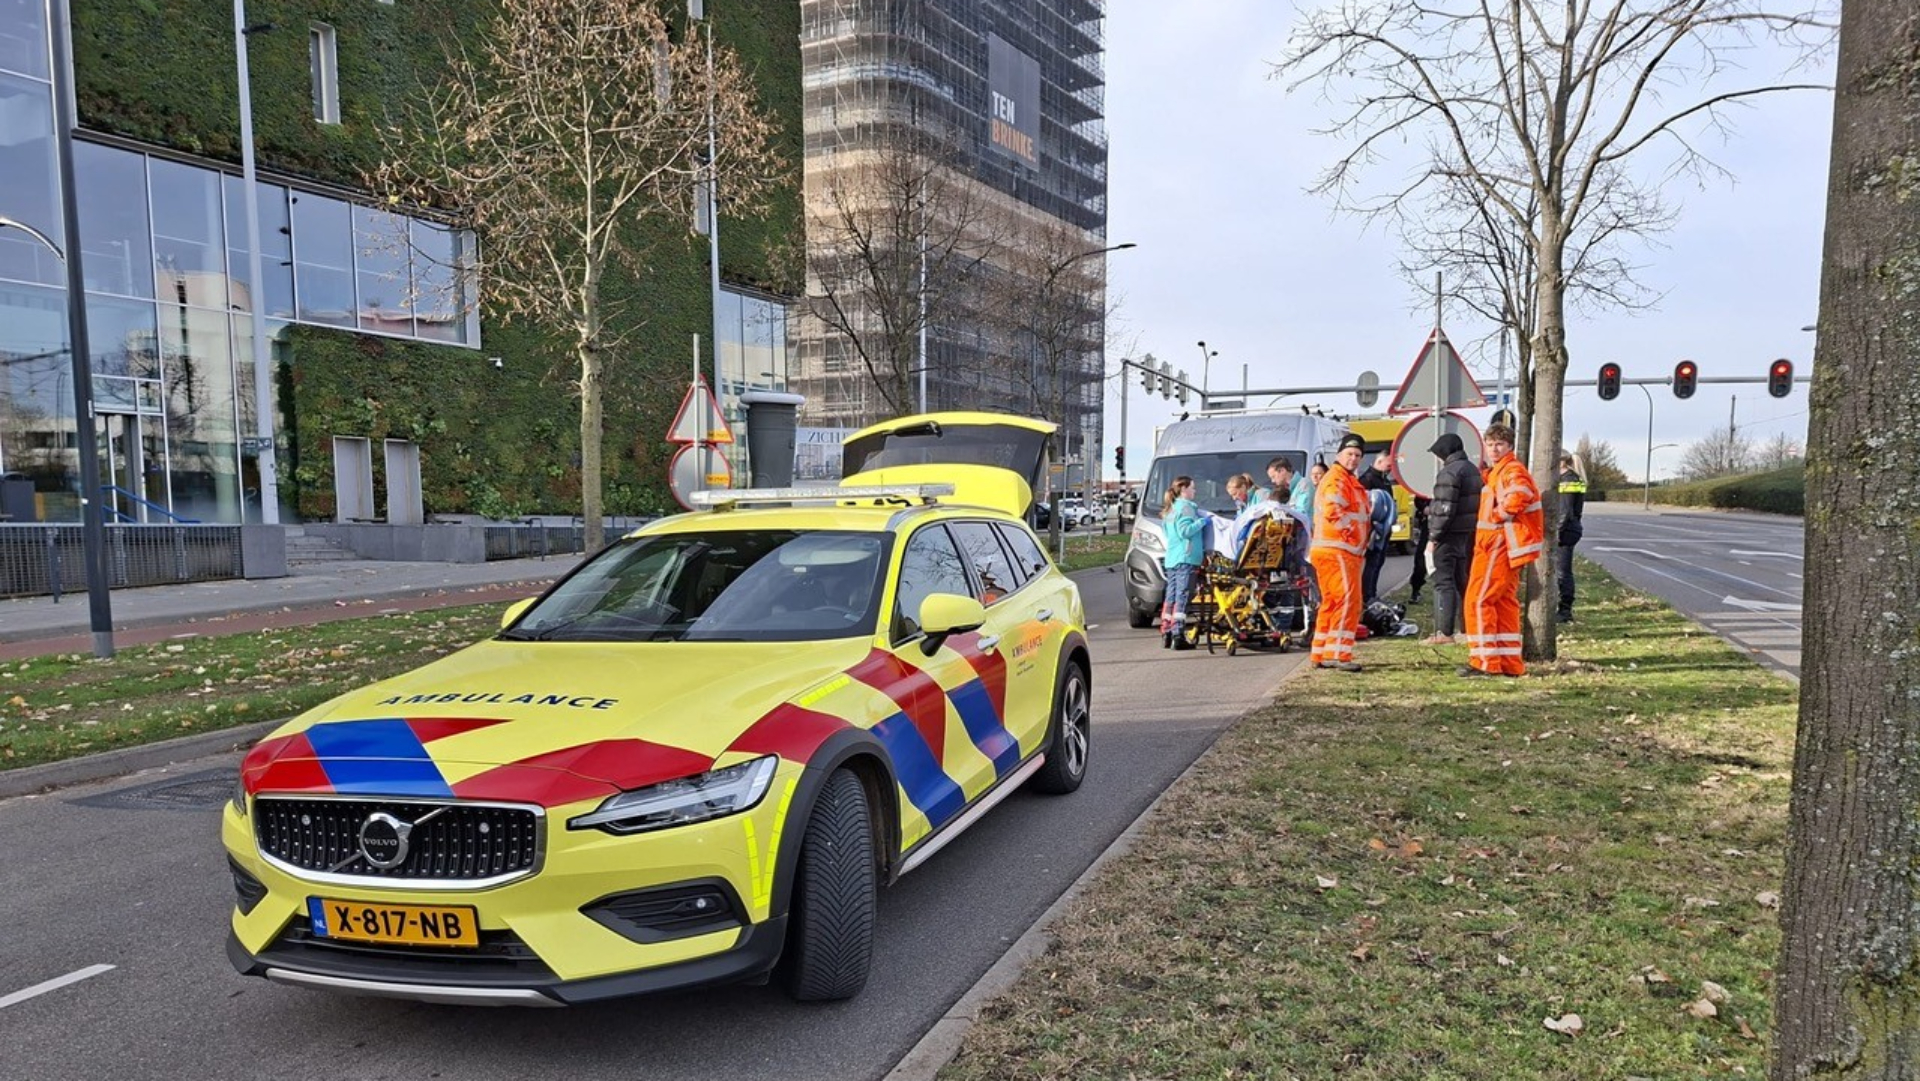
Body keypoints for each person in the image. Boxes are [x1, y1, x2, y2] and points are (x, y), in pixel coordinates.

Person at [1462, 425, 1544, 677]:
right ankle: (1509, 663)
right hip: (1506, 545)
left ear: (1509, 446)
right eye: (1490, 444)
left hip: (1497, 543)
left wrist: (1500, 514)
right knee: (1504, 602)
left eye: (1499, 444)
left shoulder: (1510, 470)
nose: (1494, 449)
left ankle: (1484, 662)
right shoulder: (1501, 471)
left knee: (1478, 600)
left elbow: (1519, 496)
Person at [1309, 434, 1370, 672]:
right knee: (1348, 601)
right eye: (1349, 454)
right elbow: (1334, 511)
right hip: (1339, 550)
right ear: (1339, 455)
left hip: (1332, 549)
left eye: (1357, 456)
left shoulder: (1342, 479)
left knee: (1332, 602)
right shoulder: (1338, 480)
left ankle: (1321, 652)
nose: (1353, 459)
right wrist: (1353, 535)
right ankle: (1337, 654)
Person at [1423, 432, 1482, 645]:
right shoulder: (1472, 470)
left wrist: (1433, 537)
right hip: (1465, 533)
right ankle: (1467, 628)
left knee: (1443, 582)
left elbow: (1445, 508)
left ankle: (1444, 633)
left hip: (1447, 535)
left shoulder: (1449, 472)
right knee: (1462, 581)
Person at [1159, 475, 1207, 651]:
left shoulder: (1171, 509)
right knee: (1183, 596)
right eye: (1193, 488)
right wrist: (1203, 522)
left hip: (1172, 558)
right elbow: (1185, 531)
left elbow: (1168, 532)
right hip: (1186, 559)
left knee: (1170, 597)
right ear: (1184, 489)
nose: (1194, 491)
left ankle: (1166, 631)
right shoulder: (1186, 507)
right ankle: (1178, 634)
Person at [1555, 450, 1587, 623]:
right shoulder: (1572, 478)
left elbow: (1565, 512)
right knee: (1562, 571)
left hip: (1565, 530)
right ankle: (1563, 608)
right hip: (1570, 528)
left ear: (1561, 462)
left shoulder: (1568, 480)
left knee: (1563, 572)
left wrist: (1557, 533)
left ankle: (1565, 611)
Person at [1361, 482, 1397, 605]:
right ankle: (1367, 596)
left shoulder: (1383, 483)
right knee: (1371, 566)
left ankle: (1370, 595)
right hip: (1370, 535)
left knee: (1374, 565)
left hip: (1373, 535)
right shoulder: (1369, 482)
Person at [1407, 494, 1431, 604]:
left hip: (1449, 524)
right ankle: (1416, 590)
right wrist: (1423, 507)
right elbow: (1419, 497)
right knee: (1421, 560)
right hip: (1429, 524)